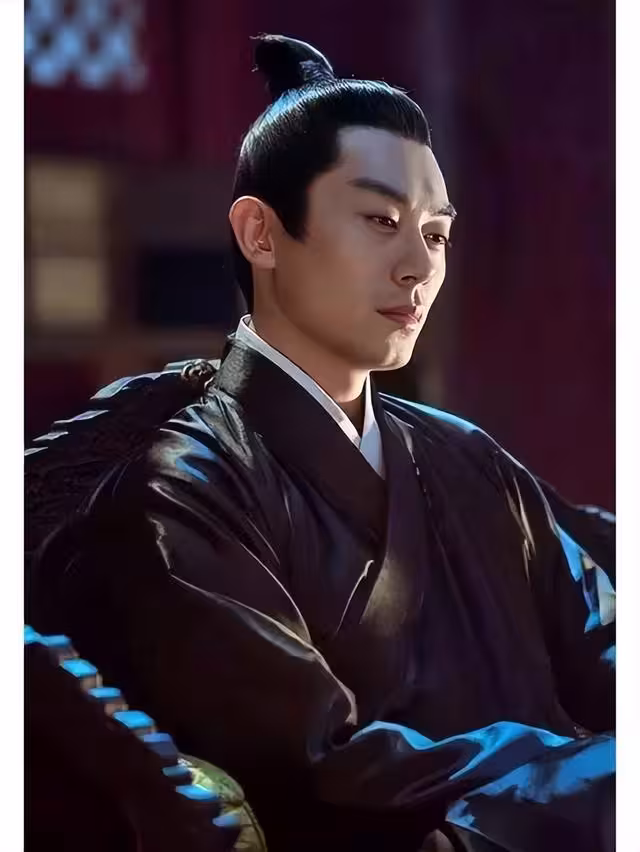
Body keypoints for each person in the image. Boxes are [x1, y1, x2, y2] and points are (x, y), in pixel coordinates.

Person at [28, 34, 614, 852]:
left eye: (436, 233)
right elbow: (322, 776)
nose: (418, 267)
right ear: (261, 234)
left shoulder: (466, 458)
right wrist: (594, 784)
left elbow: (604, 640)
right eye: (380, 221)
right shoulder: (179, 492)